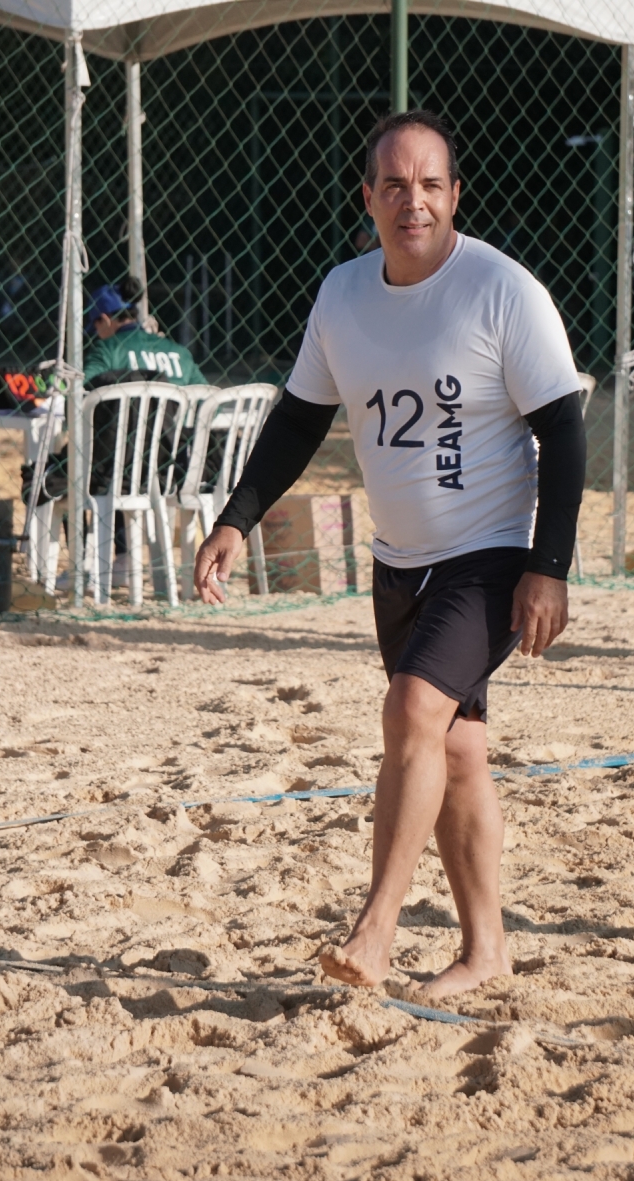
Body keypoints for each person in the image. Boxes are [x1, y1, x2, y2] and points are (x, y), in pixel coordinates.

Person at [194, 110, 586, 1000]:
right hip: (398, 562)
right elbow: (299, 420)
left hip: (489, 552)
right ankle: (487, 950)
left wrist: (549, 566)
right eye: (397, 185)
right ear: (367, 198)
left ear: (456, 195)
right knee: (457, 751)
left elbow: (563, 431)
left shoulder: (502, 290)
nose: (416, 201)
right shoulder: (342, 295)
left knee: (412, 712)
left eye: (432, 184)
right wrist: (236, 519)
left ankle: (374, 933)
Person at [78, 277, 206, 587]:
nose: (96, 333)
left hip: (121, 470)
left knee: (82, 462)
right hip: (177, 467)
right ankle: (128, 559)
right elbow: (207, 400)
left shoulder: (107, 350)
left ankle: (91, 563)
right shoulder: (178, 352)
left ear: (105, 319)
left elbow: (82, 399)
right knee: (126, 455)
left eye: (95, 326)